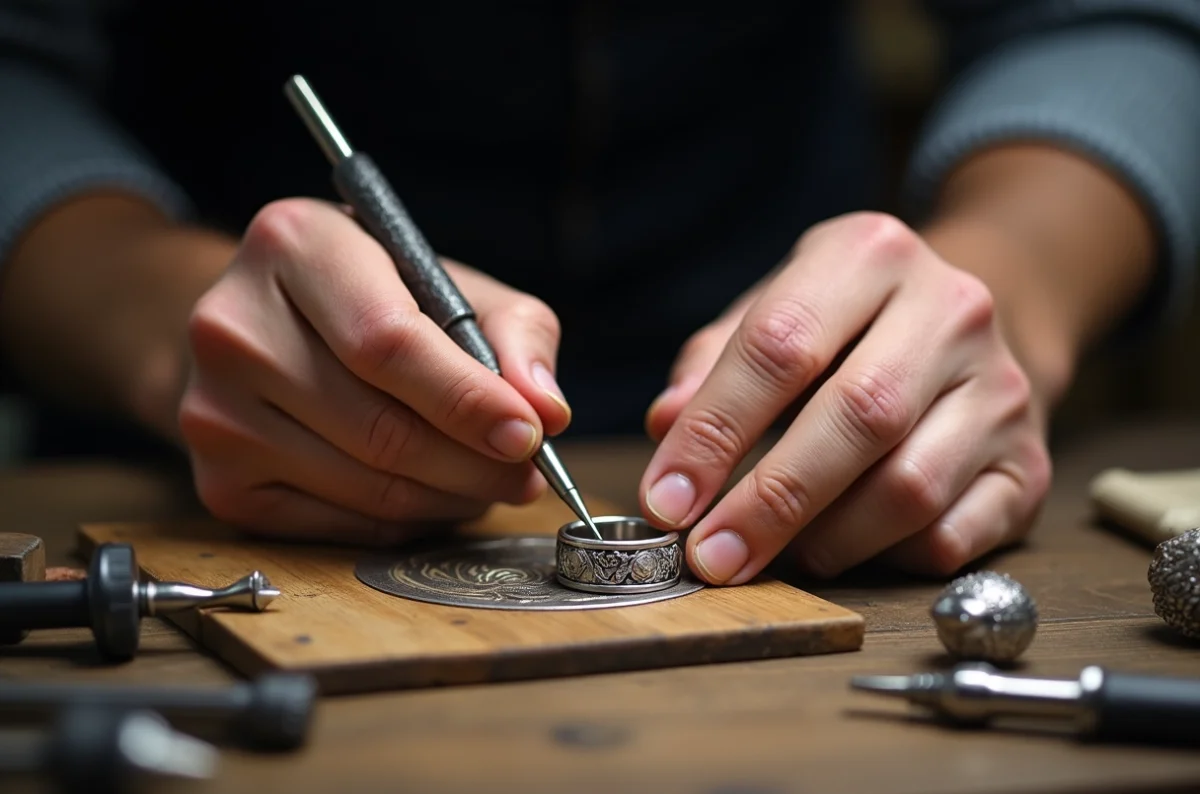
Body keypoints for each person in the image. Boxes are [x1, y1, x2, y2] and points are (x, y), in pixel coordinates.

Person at [0, 1, 1197, 585]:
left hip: (832, 451)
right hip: (220, 476)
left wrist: (1015, 280)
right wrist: (158, 317)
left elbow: (1119, 23)